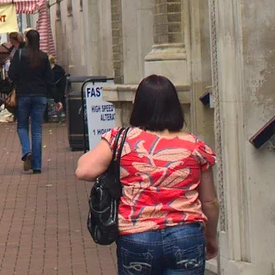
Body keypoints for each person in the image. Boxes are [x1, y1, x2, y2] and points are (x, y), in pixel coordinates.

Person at [77, 75, 220, 272]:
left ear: (138, 105)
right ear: (174, 105)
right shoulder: (195, 146)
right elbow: (210, 201)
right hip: (186, 234)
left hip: (136, 236)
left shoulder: (122, 139)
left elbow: (84, 171)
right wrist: (210, 237)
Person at [7, 29, 55, 174]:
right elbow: (49, 79)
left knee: (22, 126)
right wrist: (57, 98)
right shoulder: (43, 56)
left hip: (23, 95)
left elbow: (11, 74)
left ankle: (27, 151)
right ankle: (37, 165)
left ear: (26, 40)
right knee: (37, 130)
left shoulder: (20, 54)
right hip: (40, 95)